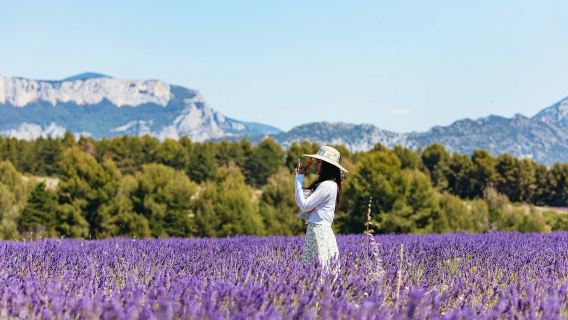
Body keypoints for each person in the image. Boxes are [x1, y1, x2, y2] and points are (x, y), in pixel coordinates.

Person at [294, 145, 348, 273]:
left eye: (319, 162)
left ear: (326, 165)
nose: (316, 165)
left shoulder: (327, 185)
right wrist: (300, 178)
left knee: (320, 272)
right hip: (316, 230)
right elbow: (302, 202)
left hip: (319, 232)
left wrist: (298, 179)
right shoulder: (328, 184)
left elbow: (304, 205)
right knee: (316, 272)